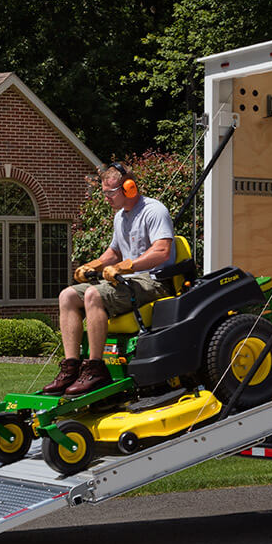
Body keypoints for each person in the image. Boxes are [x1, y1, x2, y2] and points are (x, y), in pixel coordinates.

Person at [45, 162, 175, 396]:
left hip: (154, 282)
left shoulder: (154, 211)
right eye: (103, 192)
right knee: (67, 296)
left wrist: (126, 266)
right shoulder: (120, 217)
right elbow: (115, 251)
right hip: (128, 282)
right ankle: (71, 367)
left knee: (94, 294)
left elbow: (162, 251)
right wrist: (92, 265)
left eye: (110, 192)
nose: (106, 198)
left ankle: (96, 369)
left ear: (129, 188)